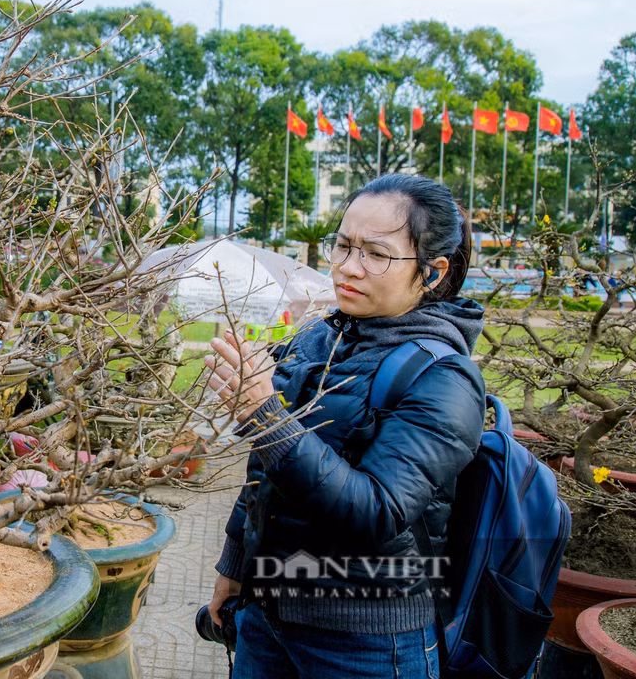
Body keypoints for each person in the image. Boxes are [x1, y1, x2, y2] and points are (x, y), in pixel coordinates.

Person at [204, 173, 486, 678]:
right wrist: (233, 566)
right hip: (268, 617)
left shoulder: (443, 376)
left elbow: (376, 512)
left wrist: (265, 415)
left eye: (376, 254)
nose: (348, 269)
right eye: (342, 246)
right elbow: (263, 477)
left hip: (368, 642)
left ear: (432, 271)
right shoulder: (318, 338)